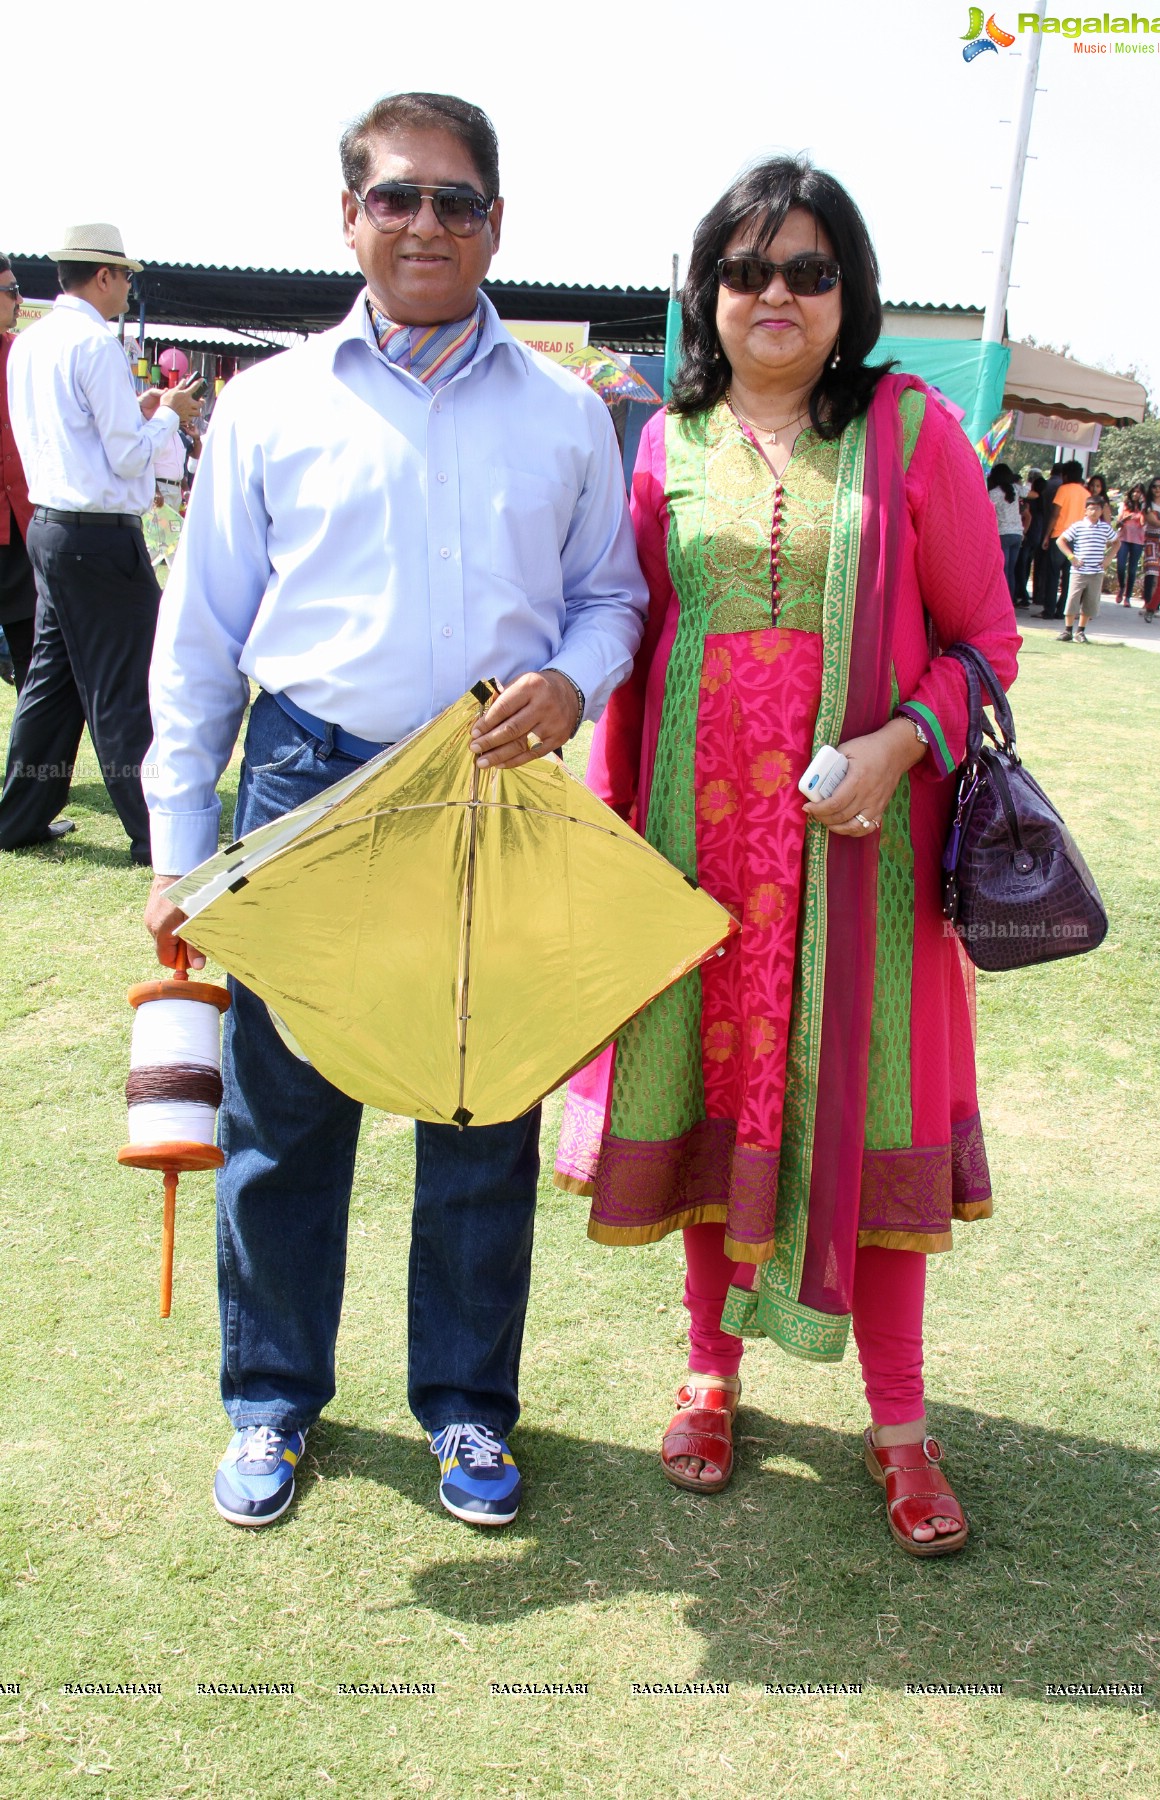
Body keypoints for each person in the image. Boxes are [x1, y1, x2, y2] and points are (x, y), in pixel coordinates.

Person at [142, 92, 646, 1533]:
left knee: (481, 1117)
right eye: (397, 197)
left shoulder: (567, 414)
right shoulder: (271, 403)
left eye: (457, 201)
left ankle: (470, 1413)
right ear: (348, 217)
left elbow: (612, 596)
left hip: (494, 793)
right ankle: (272, 1402)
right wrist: (184, 850)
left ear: (501, 222)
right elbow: (201, 640)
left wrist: (571, 677)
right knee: (283, 1118)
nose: (427, 223)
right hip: (310, 782)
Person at [554, 156, 1019, 1558]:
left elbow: (985, 645)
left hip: (859, 855)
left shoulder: (912, 429)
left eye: (808, 272)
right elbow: (622, 635)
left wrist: (895, 748)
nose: (776, 295)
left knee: (863, 1114)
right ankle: (710, 1373)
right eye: (749, 270)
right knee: (714, 1098)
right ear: (708, 291)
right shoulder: (661, 444)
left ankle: (898, 1422)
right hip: (696, 848)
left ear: (848, 294)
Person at [0, 225, 203, 860]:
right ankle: (155, 833)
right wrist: (169, 412)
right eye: (127, 277)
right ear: (106, 277)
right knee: (125, 683)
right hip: (97, 536)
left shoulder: (30, 344)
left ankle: (18, 817)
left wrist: (144, 412)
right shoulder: (94, 343)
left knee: (53, 683)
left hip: (51, 528)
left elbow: (86, 438)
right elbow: (124, 457)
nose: (128, 288)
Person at [0, 254, 37, 693]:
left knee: (35, 673)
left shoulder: (22, 354)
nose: (19, 299)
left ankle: (29, 766)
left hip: (23, 528)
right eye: (11, 291)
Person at [1056, 494, 1118, 643]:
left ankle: (1081, 631)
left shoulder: (1104, 528)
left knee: (1090, 602)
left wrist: (1108, 559)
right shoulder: (1078, 526)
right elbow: (1061, 541)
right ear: (1085, 511)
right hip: (1079, 571)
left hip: (1096, 571)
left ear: (1102, 511)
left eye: (1097, 509)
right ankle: (1068, 630)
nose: (1094, 512)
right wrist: (1072, 557)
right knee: (1072, 600)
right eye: (1091, 509)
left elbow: (1117, 542)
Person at [1040, 459, 1088, 618]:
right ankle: (1063, 610)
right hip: (1079, 539)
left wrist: (1046, 535)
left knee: (1053, 574)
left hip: (1059, 536)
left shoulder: (1063, 489)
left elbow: (1055, 514)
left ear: (1065, 475)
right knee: (1069, 576)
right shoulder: (1086, 493)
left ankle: (1049, 610)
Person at [986, 462, 1024, 604]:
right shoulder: (1015, 489)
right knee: (1011, 570)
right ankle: (1010, 600)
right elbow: (1031, 492)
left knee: (1002, 570)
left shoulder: (994, 493)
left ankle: (1002, 602)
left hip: (1002, 534)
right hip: (1017, 534)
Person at [1014, 470, 1045, 608]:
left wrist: (1024, 532)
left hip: (1027, 535)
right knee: (1026, 564)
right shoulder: (1041, 500)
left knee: (1021, 565)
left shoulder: (1028, 501)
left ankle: (1022, 594)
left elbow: (1027, 517)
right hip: (1036, 535)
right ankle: (1023, 593)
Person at [1140, 474, 1160, 613]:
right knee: (1151, 572)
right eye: (1154, 487)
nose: (1157, 489)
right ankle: (1148, 603)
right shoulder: (1147, 505)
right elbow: (1154, 522)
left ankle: (1156, 605)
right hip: (1152, 541)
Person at [1114, 486, 1146, 607]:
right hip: (1124, 538)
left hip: (1138, 540)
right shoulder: (1124, 505)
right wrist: (1124, 519)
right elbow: (1117, 524)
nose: (1136, 494)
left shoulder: (1144, 507)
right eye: (1134, 491)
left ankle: (1127, 596)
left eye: (1139, 492)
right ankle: (1122, 587)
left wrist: (1143, 510)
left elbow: (1143, 523)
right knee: (1121, 566)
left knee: (1132, 570)